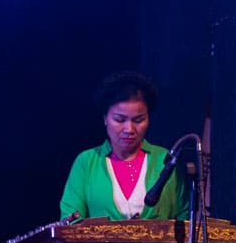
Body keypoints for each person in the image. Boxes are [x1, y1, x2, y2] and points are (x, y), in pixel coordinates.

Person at [60, 71, 187, 221]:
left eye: (138, 120)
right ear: (105, 118)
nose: (129, 129)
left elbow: (185, 219)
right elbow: (71, 221)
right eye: (119, 119)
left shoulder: (165, 161)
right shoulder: (86, 162)